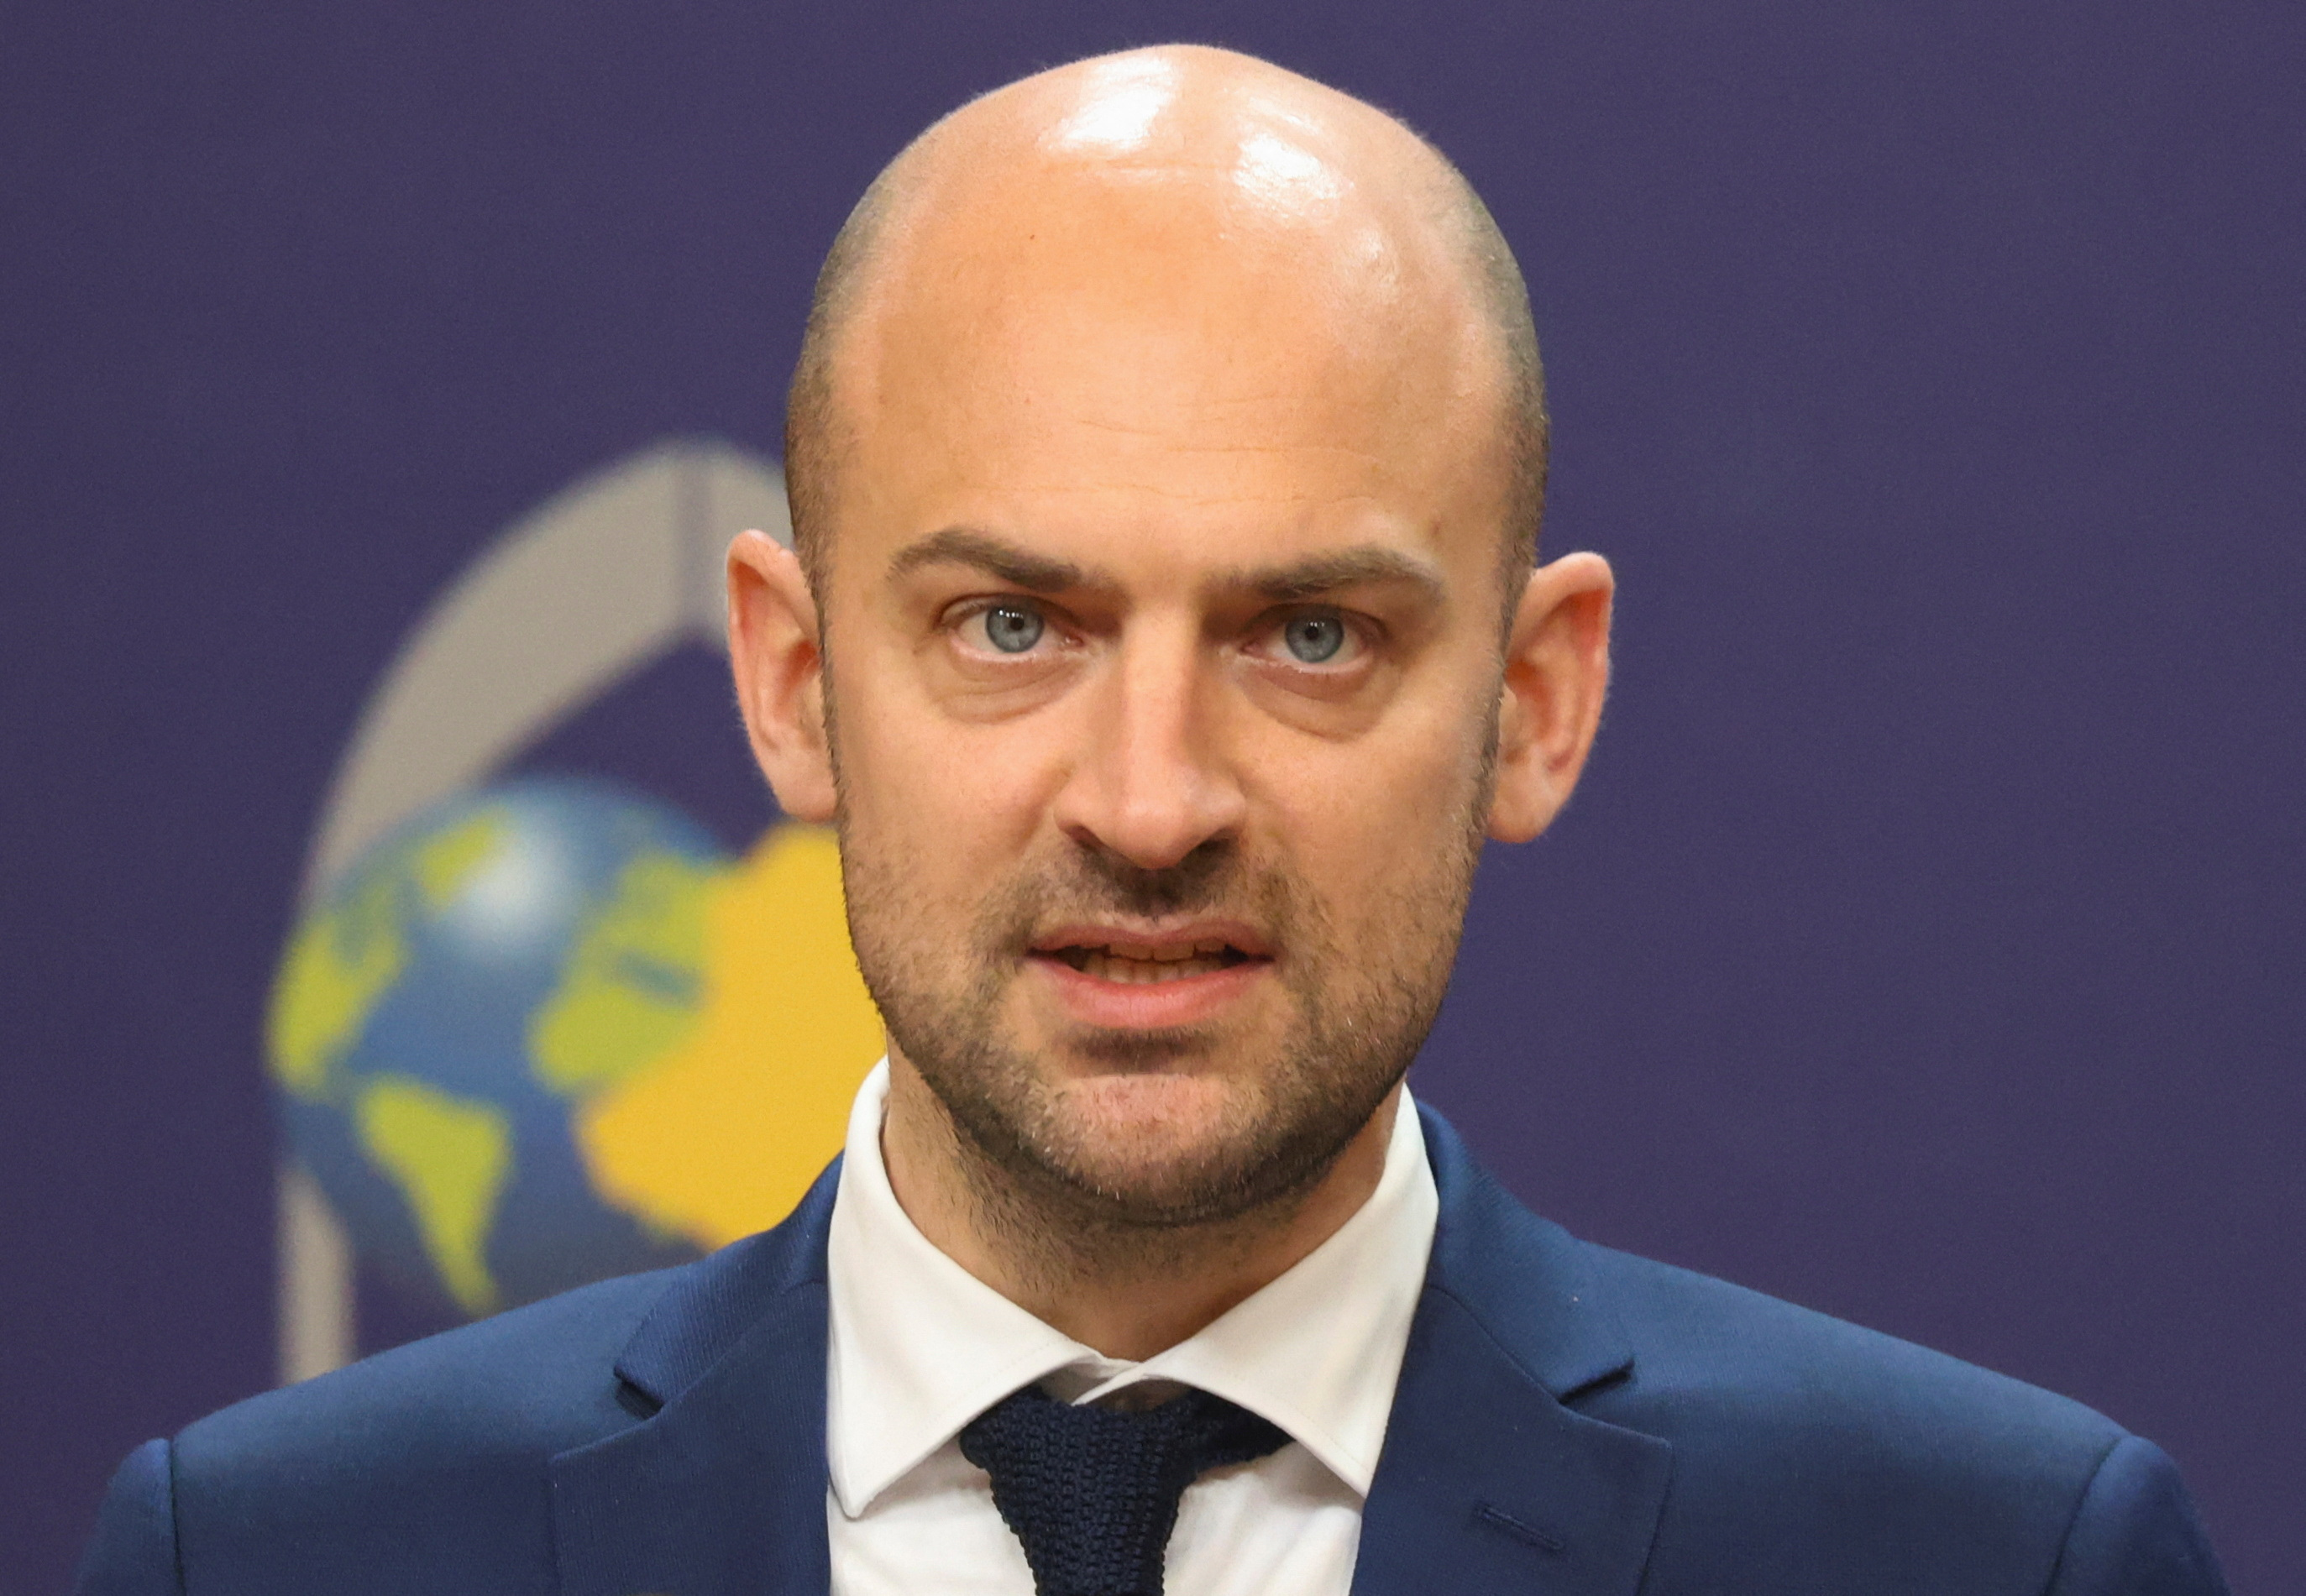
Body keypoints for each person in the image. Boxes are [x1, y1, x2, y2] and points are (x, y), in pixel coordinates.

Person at [77, 44, 2226, 1596]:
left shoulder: (1978, 1557)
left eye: (1309, 637)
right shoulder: (270, 1560)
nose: (1148, 799)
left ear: (1531, 703)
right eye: (1011, 626)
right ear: (794, 683)